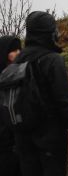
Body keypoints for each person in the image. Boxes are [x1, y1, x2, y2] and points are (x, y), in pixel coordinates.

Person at [13, 11, 68, 175]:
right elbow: (64, 100)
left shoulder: (16, 62)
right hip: (50, 135)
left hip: (22, 137)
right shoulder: (52, 60)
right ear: (49, 33)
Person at [0, 36, 22, 175]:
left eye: (20, 49)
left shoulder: (24, 75)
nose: (19, 52)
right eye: (14, 50)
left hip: (21, 144)